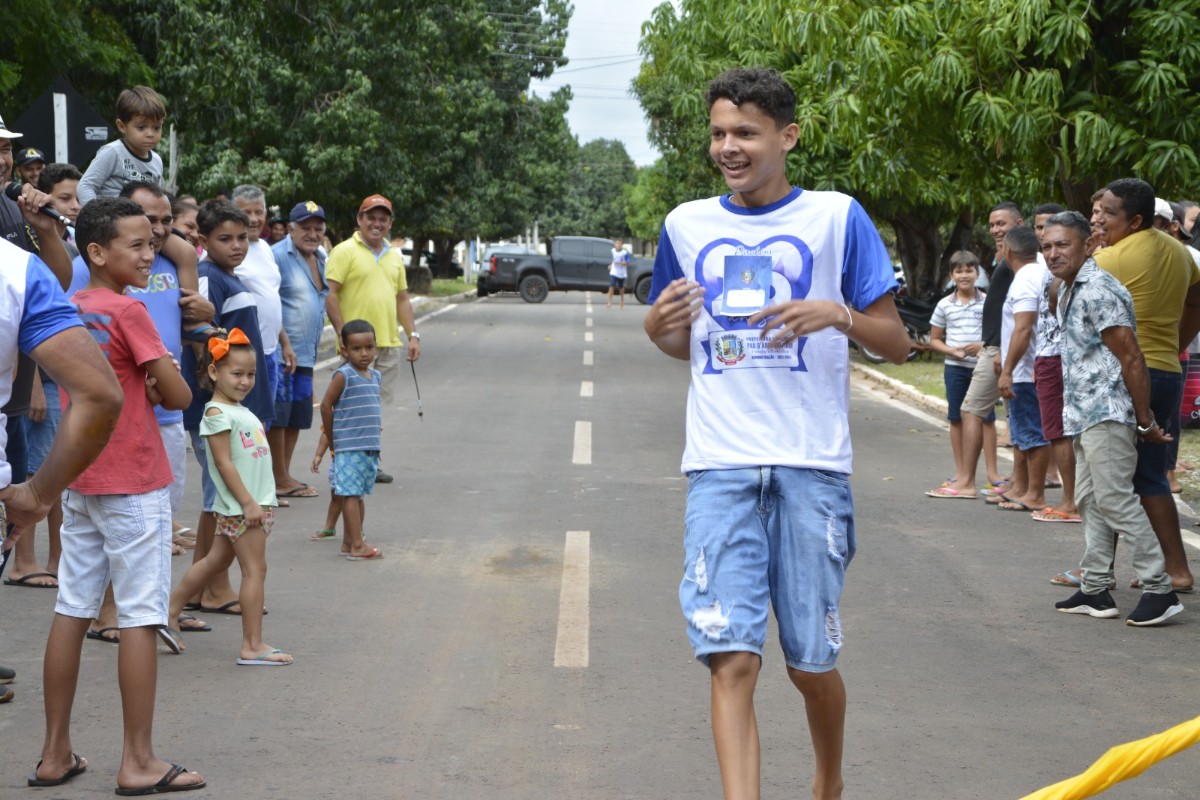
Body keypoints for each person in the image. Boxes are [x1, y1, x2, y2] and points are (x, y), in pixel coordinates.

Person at [643, 66, 907, 800]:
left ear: (787, 137)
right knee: (731, 657)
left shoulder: (835, 217)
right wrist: (655, 325)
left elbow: (895, 342)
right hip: (719, 467)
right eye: (719, 134)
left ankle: (828, 779)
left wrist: (838, 315)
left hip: (810, 466)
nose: (729, 147)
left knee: (809, 663)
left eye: (746, 134)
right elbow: (677, 340)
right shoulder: (685, 225)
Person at [32, 197, 205, 793]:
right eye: (136, 244)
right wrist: (162, 384)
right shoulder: (130, 313)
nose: (148, 252)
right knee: (139, 616)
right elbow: (179, 396)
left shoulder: (70, 307)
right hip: (133, 479)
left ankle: (55, 754)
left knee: (73, 608)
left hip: (78, 478)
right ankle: (138, 761)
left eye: (151, 241)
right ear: (97, 252)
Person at [1044, 211, 1183, 626]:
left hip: (1108, 412)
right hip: (1084, 413)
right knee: (1090, 500)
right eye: (1047, 246)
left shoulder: (1099, 288)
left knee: (1115, 500)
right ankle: (1096, 588)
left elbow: (1132, 357)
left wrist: (1144, 420)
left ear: (1088, 245)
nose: (1053, 253)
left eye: (1063, 244)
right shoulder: (1070, 288)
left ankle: (1160, 590)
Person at [1092, 178, 1200, 593]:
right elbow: (1197, 300)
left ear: (1135, 219)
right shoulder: (1181, 251)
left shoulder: (1110, 259)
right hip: (1168, 371)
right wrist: (1174, 343)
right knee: (1151, 476)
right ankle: (1177, 569)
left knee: (1110, 476)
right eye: (1098, 212)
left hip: (1125, 373)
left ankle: (1099, 570)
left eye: (1109, 214)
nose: (1100, 221)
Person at [166, 328, 291, 665]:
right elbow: (221, 463)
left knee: (215, 561)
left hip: (246, 505)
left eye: (250, 374)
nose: (245, 381)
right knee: (255, 571)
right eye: (236, 373)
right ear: (213, 372)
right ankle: (252, 645)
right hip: (243, 507)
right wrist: (249, 503)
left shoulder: (239, 410)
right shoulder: (217, 413)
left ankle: (170, 610)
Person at [180, 200, 274, 615]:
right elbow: (200, 336)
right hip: (219, 412)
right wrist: (218, 398)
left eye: (241, 237)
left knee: (214, 503)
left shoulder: (228, 275)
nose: (237, 245)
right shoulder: (206, 277)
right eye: (225, 239)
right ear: (202, 240)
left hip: (241, 409)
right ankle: (213, 587)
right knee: (219, 502)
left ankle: (203, 590)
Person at [324, 194, 420, 483]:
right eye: (371, 217)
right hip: (355, 346)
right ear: (359, 219)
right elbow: (331, 294)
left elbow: (402, 298)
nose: (376, 224)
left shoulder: (394, 256)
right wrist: (343, 334)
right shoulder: (343, 251)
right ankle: (341, 457)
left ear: (390, 223)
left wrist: (413, 335)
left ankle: (369, 461)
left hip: (387, 344)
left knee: (373, 409)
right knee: (348, 407)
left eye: (383, 219)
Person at [941, 203, 1024, 499]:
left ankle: (965, 482)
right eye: (992, 225)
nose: (995, 230)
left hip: (1001, 351)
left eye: (1002, 223)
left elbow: (1021, 312)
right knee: (1015, 416)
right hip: (992, 347)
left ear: (1018, 223)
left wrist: (1002, 349)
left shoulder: (1019, 261)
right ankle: (1018, 484)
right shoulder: (1005, 258)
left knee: (972, 410)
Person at [231, 186, 293, 492]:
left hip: (270, 353)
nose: (254, 219)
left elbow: (270, 299)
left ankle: (262, 486)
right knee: (245, 426)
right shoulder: (233, 253)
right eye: (246, 212)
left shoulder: (267, 249)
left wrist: (284, 343)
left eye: (259, 212)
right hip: (244, 356)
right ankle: (249, 492)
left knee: (263, 424)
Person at [312, 320, 385, 560]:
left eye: (369, 347)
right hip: (349, 447)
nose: (364, 353)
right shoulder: (344, 375)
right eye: (356, 348)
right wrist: (332, 441)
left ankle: (349, 542)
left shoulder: (375, 376)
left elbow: (369, 411)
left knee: (358, 495)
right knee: (350, 495)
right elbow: (325, 405)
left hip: (367, 448)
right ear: (344, 350)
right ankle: (357, 545)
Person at [271, 201, 328, 498]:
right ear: (291, 229)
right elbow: (268, 303)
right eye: (305, 227)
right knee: (279, 416)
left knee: (296, 416)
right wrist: (284, 343)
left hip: (307, 354)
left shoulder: (320, 257)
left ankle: (284, 475)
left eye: (317, 228)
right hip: (284, 354)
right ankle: (277, 478)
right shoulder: (277, 256)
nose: (312, 233)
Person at [995, 225, 1051, 513]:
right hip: (1028, 368)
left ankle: (1035, 494)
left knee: (1033, 433)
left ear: (1008, 251)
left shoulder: (1025, 279)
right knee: (1022, 432)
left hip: (1026, 370)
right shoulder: (1037, 273)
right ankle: (1023, 488)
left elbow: (1023, 328)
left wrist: (1007, 370)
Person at [925, 251, 989, 498]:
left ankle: (981, 473)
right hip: (954, 369)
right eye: (959, 271)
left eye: (969, 270)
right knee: (956, 418)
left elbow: (993, 335)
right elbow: (934, 340)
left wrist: (981, 346)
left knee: (983, 419)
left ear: (977, 273)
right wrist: (951, 351)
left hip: (981, 369)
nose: (964, 275)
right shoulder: (944, 305)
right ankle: (961, 471)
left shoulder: (987, 301)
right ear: (951, 275)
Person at [77, 86, 165, 205]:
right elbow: (85, 186)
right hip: (110, 220)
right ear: (122, 126)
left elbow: (157, 199)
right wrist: (96, 218)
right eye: (141, 127)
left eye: (156, 128)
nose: (150, 134)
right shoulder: (113, 152)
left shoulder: (156, 161)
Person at [606, 238, 631, 308]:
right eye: (617, 243)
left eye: (619, 244)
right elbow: (614, 260)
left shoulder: (624, 253)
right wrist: (611, 265)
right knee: (611, 285)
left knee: (621, 287)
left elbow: (628, 263)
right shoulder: (613, 251)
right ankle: (609, 302)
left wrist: (620, 263)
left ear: (622, 245)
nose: (618, 245)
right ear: (615, 244)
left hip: (621, 272)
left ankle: (621, 301)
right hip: (614, 271)